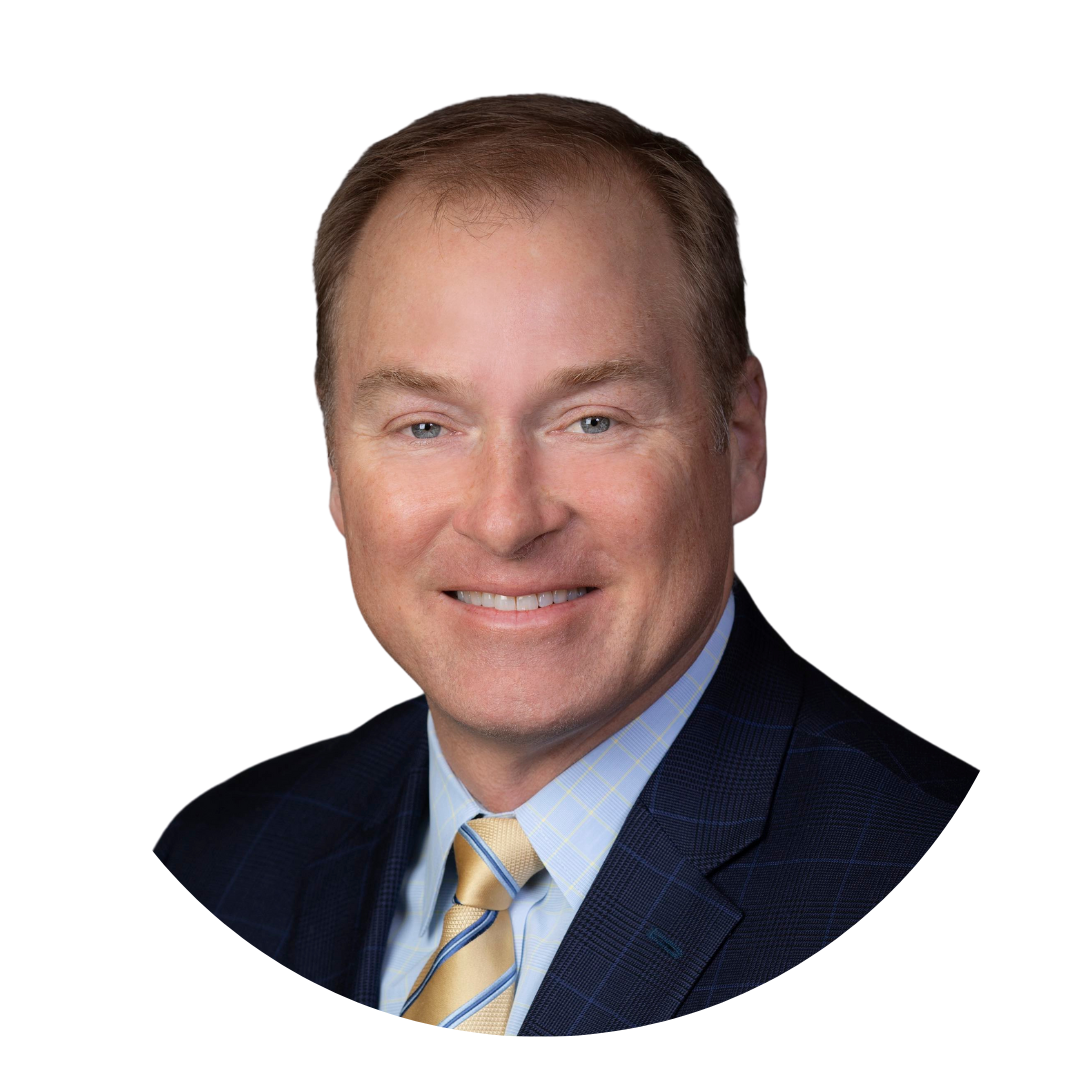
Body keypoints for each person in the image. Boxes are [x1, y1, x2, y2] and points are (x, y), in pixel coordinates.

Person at [154, 93, 979, 1035]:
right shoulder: (223, 863)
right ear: (337, 464)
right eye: (425, 427)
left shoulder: (903, 855)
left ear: (741, 441)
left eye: (593, 421)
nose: (507, 519)